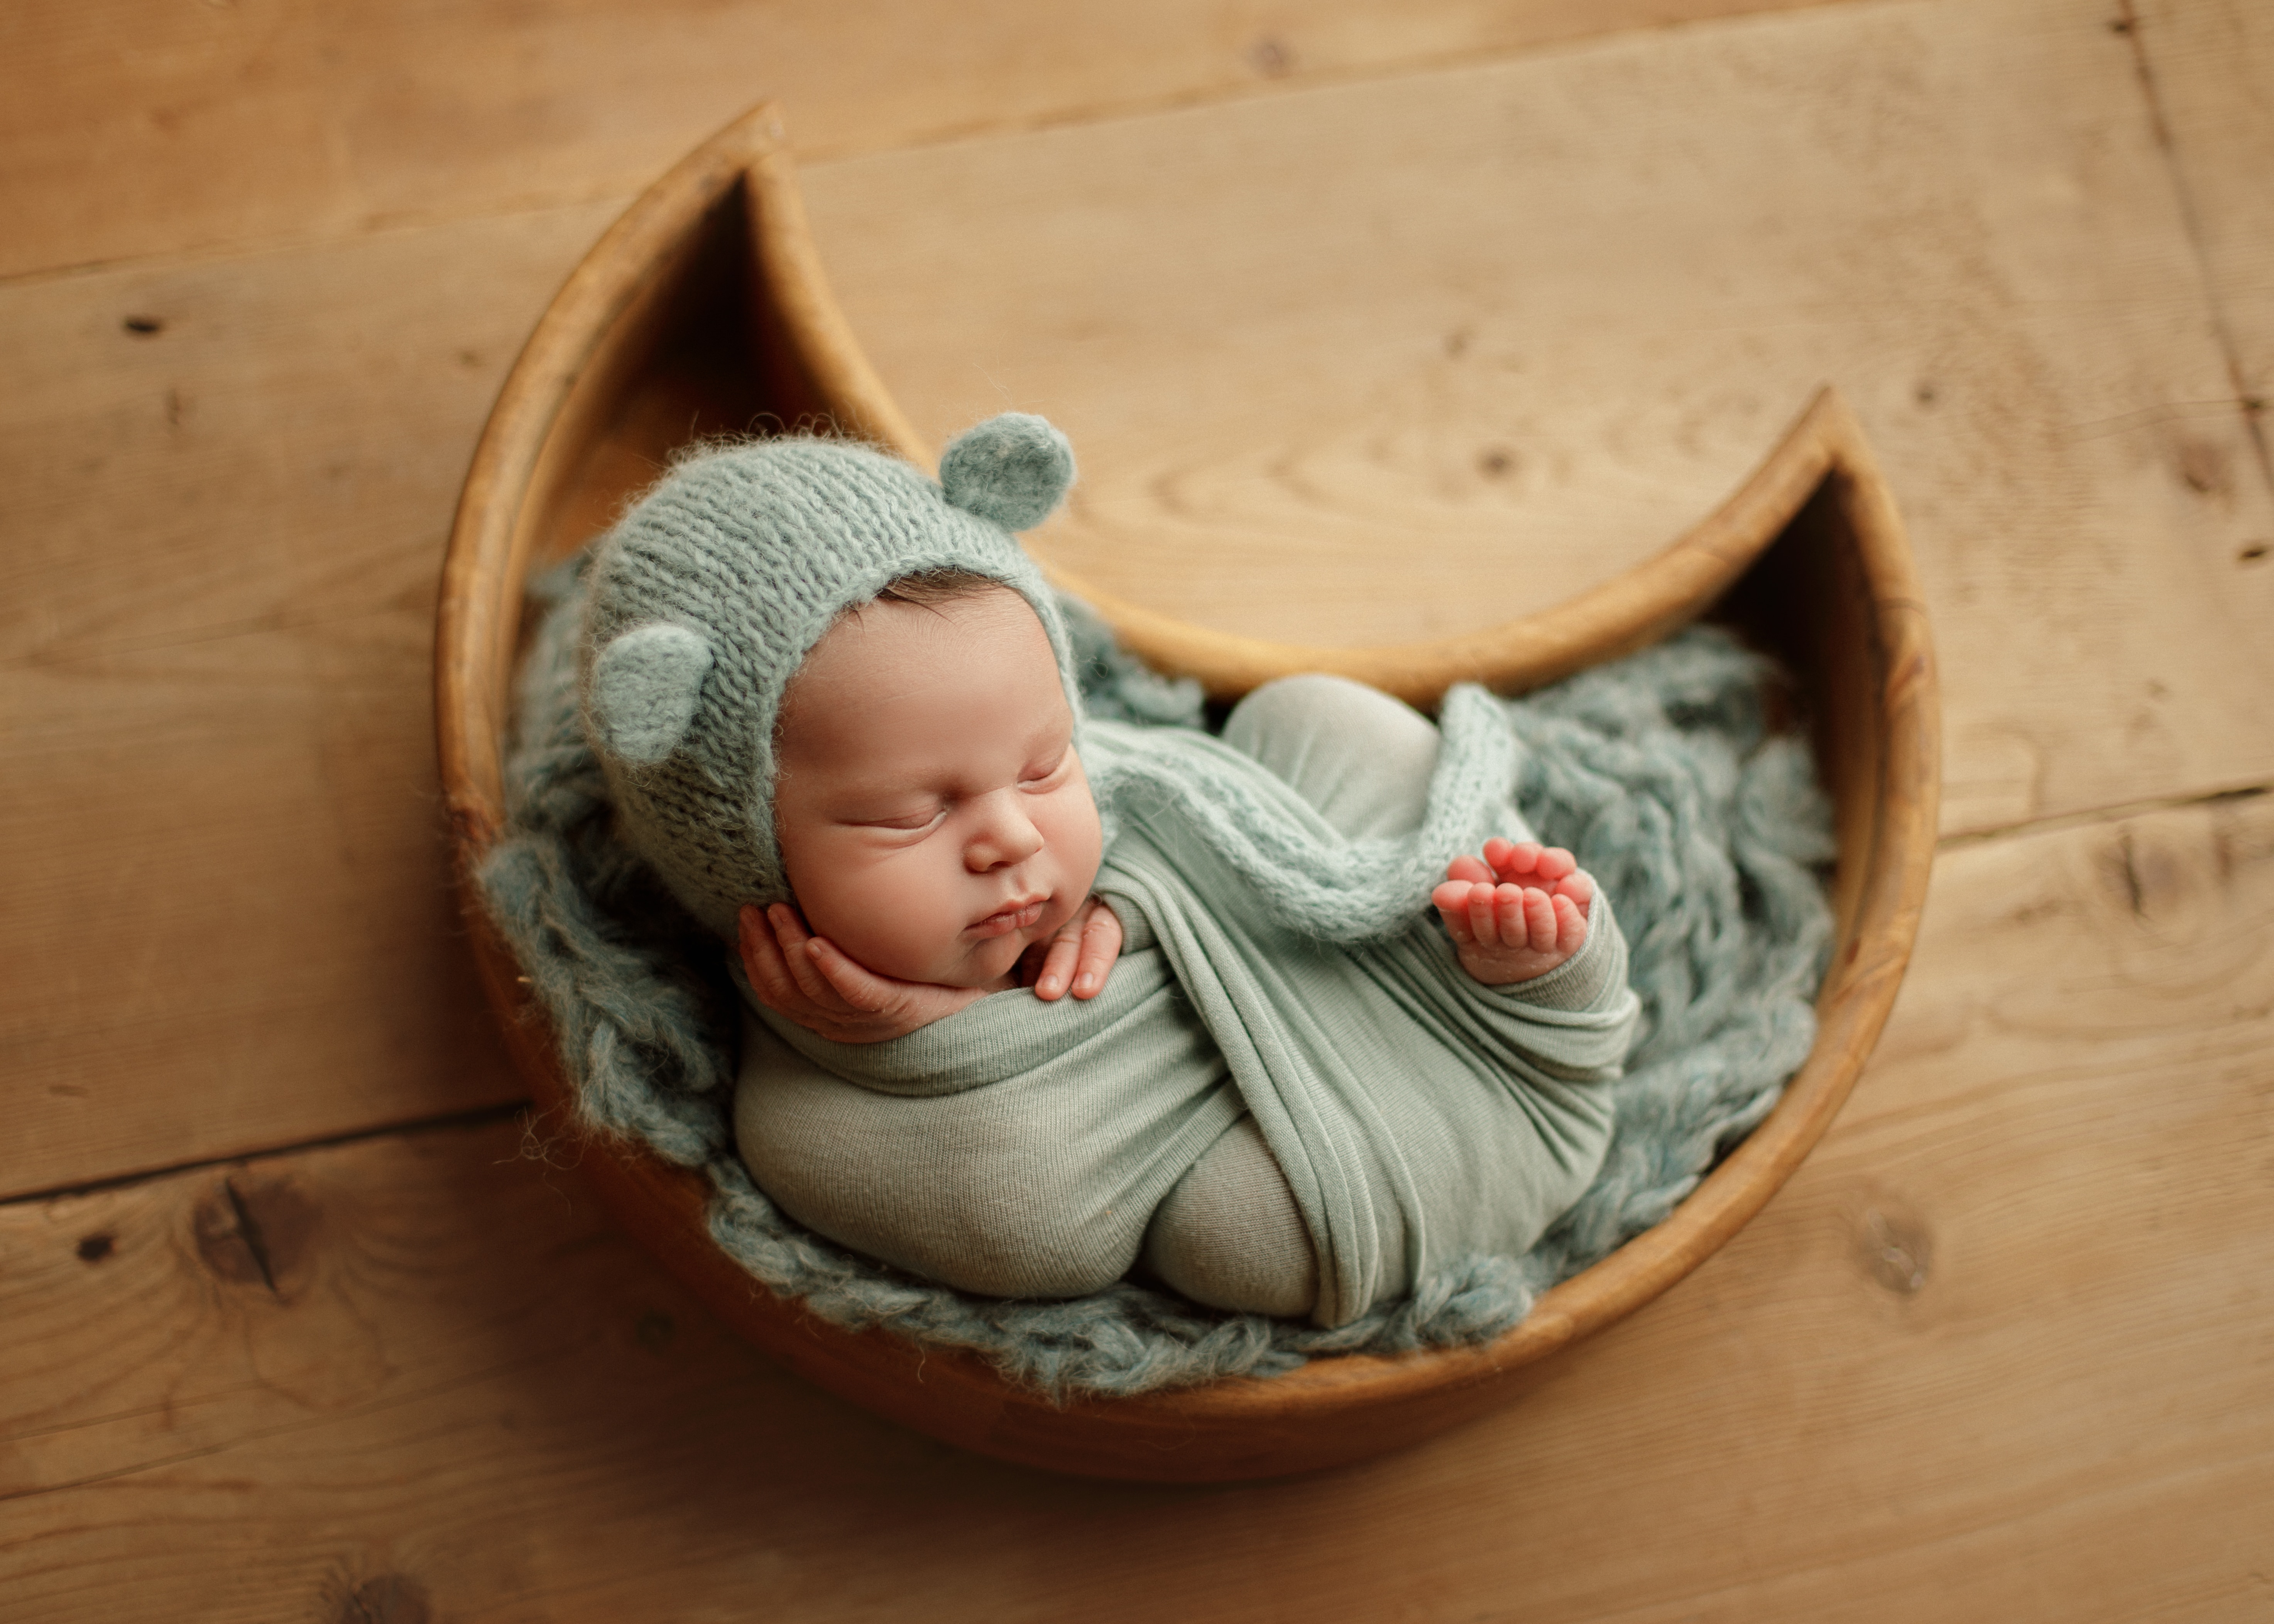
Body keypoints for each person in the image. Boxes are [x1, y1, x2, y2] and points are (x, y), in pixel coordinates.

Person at [578, 414, 1638, 1324]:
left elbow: (1176, 806)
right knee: (1230, 1232)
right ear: (741, 846)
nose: (1012, 837)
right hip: (1347, 1158)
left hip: (1384, 984)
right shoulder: (817, 1082)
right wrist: (917, 1044)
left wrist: (1138, 901)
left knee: (1316, 718)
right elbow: (1040, 1233)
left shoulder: (1099, 792)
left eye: (1046, 762)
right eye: (916, 812)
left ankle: (1537, 967)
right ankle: (1526, 1021)